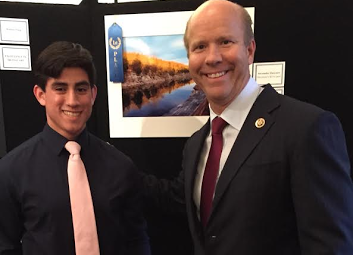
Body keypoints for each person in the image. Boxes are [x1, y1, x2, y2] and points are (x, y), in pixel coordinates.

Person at [143, 0, 353, 254]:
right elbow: (187, 201)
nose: (212, 57)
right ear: (190, 59)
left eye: (225, 42)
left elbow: (330, 246)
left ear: (250, 50)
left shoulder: (306, 128)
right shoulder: (197, 143)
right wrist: (113, 166)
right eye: (200, 46)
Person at [0, 41, 150, 255]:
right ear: (40, 94)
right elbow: (5, 246)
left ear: (93, 94)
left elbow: (136, 240)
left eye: (81, 89)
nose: (72, 101)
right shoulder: (10, 171)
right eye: (60, 88)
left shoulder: (121, 167)